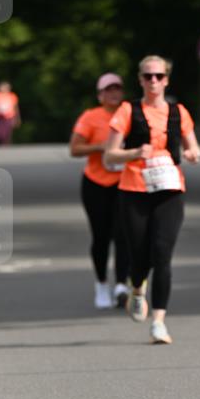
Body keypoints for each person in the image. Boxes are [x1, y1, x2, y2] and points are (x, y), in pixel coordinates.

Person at [104, 55, 200, 344]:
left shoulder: (178, 112)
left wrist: (193, 154)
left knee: (163, 254)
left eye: (159, 76)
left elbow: (192, 147)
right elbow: (110, 154)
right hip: (134, 189)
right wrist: (134, 153)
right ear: (140, 80)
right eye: (148, 76)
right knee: (140, 252)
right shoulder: (126, 110)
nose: (154, 81)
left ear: (167, 79)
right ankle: (137, 289)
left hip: (169, 189)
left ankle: (158, 320)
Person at [69, 73, 130, 309]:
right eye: (108, 89)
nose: (113, 93)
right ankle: (102, 283)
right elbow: (74, 149)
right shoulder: (91, 117)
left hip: (125, 182)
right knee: (101, 237)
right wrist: (100, 147)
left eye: (117, 88)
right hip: (96, 183)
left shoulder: (130, 114)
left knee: (123, 234)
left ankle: (122, 285)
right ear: (100, 94)